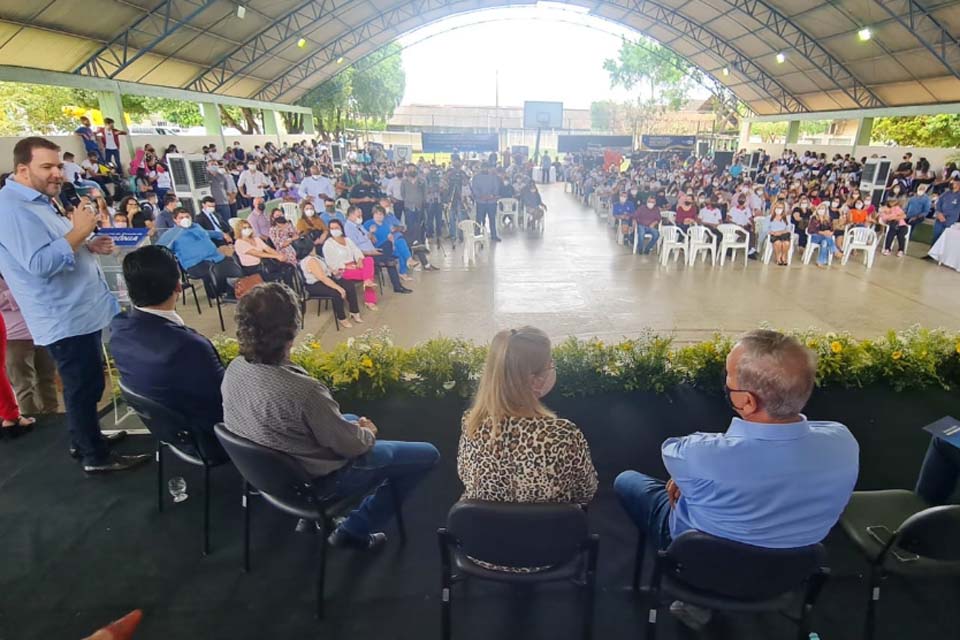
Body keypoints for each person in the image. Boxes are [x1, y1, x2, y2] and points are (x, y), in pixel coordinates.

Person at [614, 330, 859, 630]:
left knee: (627, 481)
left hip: (699, 565)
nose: (726, 384)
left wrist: (688, 478)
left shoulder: (699, 454)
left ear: (746, 401)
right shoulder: (844, 442)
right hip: (784, 575)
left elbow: (678, 452)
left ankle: (693, 599)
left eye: (729, 379)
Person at [221, 283, 440, 549]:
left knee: (348, 418)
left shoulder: (234, 369)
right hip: (316, 482)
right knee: (426, 455)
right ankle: (354, 529)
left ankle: (310, 521)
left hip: (272, 474)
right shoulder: (304, 391)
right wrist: (367, 433)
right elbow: (353, 445)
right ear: (294, 328)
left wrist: (351, 428)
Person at [0, 137, 145, 472]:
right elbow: (37, 264)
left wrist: (88, 243)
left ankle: (86, 439)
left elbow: (58, 244)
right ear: (23, 169)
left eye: (59, 166)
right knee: (82, 386)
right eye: (47, 167)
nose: (57, 174)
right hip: (63, 316)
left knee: (89, 384)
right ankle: (95, 457)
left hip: (82, 309)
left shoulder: (39, 200)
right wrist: (79, 233)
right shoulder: (12, 209)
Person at [458, 326, 597, 572]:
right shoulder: (562, 434)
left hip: (483, 547)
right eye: (550, 363)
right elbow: (586, 491)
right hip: (549, 550)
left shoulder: (472, 423)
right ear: (535, 380)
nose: (553, 367)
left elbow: (465, 476)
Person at [109, 246, 227, 457]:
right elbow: (226, 400)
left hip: (167, 432)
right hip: (207, 441)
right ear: (178, 286)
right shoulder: (187, 346)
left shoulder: (119, 329)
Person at [0, 275, 58, 418]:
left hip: (42, 333)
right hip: (14, 338)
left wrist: (22, 291)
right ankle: (32, 425)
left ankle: (53, 420)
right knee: (24, 386)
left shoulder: (20, 264)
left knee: (47, 380)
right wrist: (23, 290)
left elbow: (44, 289)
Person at [159, 208, 242, 299]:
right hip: (194, 263)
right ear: (175, 220)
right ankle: (216, 295)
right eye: (181, 217)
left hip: (214, 257)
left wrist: (222, 234)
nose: (185, 219)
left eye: (187, 216)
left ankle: (232, 291)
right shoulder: (172, 234)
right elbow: (160, 248)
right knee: (212, 271)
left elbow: (207, 233)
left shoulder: (196, 226)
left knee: (230, 263)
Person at [344, 205, 406, 294]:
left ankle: (397, 285)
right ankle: (397, 286)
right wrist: (371, 252)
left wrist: (371, 234)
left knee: (388, 244)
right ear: (351, 215)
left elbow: (367, 236)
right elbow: (354, 247)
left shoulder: (359, 225)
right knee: (390, 261)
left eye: (360, 216)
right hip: (366, 255)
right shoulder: (349, 228)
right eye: (358, 216)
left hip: (373, 250)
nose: (360, 217)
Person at [323, 219, 383, 310]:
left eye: (336, 227)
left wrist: (359, 260)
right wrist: (345, 266)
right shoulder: (328, 244)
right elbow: (330, 262)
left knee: (369, 260)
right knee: (368, 275)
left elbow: (357, 251)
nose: (334, 230)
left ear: (341, 228)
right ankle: (369, 299)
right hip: (341, 270)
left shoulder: (347, 240)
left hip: (355, 265)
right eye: (332, 228)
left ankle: (367, 282)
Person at [300, 248, 363, 328]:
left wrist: (334, 272)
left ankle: (354, 311)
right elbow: (322, 277)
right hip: (315, 284)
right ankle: (342, 318)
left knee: (349, 285)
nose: (315, 248)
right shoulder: (310, 260)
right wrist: (339, 288)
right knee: (336, 292)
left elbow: (327, 271)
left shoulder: (317, 257)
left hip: (327, 278)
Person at [233, 219, 295, 286]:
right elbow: (258, 254)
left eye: (249, 227)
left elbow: (268, 249)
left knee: (288, 267)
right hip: (253, 269)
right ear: (239, 230)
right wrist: (276, 256)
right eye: (244, 228)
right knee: (276, 275)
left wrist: (280, 255)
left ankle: (289, 290)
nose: (247, 229)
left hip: (264, 264)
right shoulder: (239, 243)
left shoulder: (256, 239)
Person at [472, 163, 501, 242]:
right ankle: (477, 234)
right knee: (479, 219)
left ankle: (494, 235)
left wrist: (491, 196)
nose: (485, 169)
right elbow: (474, 188)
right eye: (483, 168)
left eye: (486, 168)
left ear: (488, 168)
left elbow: (496, 188)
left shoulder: (493, 177)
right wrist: (480, 196)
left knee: (492, 219)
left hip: (491, 202)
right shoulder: (476, 177)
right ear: (481, 168)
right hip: (480, 201)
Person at [806, 204, 840, 268]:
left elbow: (832, 229)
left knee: (824, 242)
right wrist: (822, 232)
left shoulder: (828, 219)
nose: (821, 210)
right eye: (819, 208)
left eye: (823, 209)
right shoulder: (814, 218)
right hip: (815, 237)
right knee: (826, 237)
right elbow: (810, 230)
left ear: (825, 210)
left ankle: (820, 262)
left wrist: (831, 232)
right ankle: (835, 250)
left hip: (825, 238)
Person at [933, 177, 960, 245]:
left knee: (945, 239)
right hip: (939, 218)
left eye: (954, 183)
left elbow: (956, 210)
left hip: (950, 220)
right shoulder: (946, 193)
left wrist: (945, 217)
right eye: (951, 182)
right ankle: (931, 254)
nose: (951, 184)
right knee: (936, 236)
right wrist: (939, 213)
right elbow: (938, 203)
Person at [768, 202, 792, 266]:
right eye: (777, 207)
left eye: (781, 208)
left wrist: (780, 232)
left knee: (786, 243)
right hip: (774, 234)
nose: (779, 209)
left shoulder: (786, 218)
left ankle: (783, 256)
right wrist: (773, 232)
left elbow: (788, 229)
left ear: (783, 209)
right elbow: (765, 229)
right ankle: (778, 257)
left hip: (784, 234)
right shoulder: (769, 217)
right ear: (774, 208)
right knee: (778, 243)